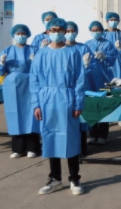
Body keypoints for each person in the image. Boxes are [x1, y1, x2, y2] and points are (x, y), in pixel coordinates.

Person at [30, 18, 86, 195]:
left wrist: (78, 103)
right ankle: (55, 178)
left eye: (60, 29)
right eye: (53, 29)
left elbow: (79, 80)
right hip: (46, 101)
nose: (56, 32)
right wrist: (36, 104)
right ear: (47, 32)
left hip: (67, 98)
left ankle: (74, 178)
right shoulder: (41, 54)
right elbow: (34, 80)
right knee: (50, 138)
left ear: (65, 31)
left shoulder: (73, 52)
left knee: (70, 138)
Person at [0, 24, 40, 158]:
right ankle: (17, 149)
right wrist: (2, 63)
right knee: (15, 116)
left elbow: (42, 68)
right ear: (13, 35)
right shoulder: (6, 51)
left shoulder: (34, 50)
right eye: (18, 34)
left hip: (30, 85)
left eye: (23, 34)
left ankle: (33, 147)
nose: (20, 36)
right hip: (12, 87)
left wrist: (35, 62)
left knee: (31, 115)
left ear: (27, 35)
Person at [84, 21, 118, 145]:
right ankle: (92, 134)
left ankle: (103, 135)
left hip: (104, 78)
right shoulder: (86, 45)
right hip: (90, 79)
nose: (95, 32)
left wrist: (105, 57)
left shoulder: (108, 44)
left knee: (103, 105)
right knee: (92, 106)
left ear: (102, 30)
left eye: (98, 30)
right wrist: (86, 63)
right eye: (93, 30)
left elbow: (113, 60)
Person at [103, 12, 121, 79]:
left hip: (118, 63)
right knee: (106, 83)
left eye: (115, 20)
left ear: (118, 21)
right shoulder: (103, 35)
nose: (114, 22)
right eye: (111, 20)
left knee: (119, 84)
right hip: (106, 62)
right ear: (107, 21)